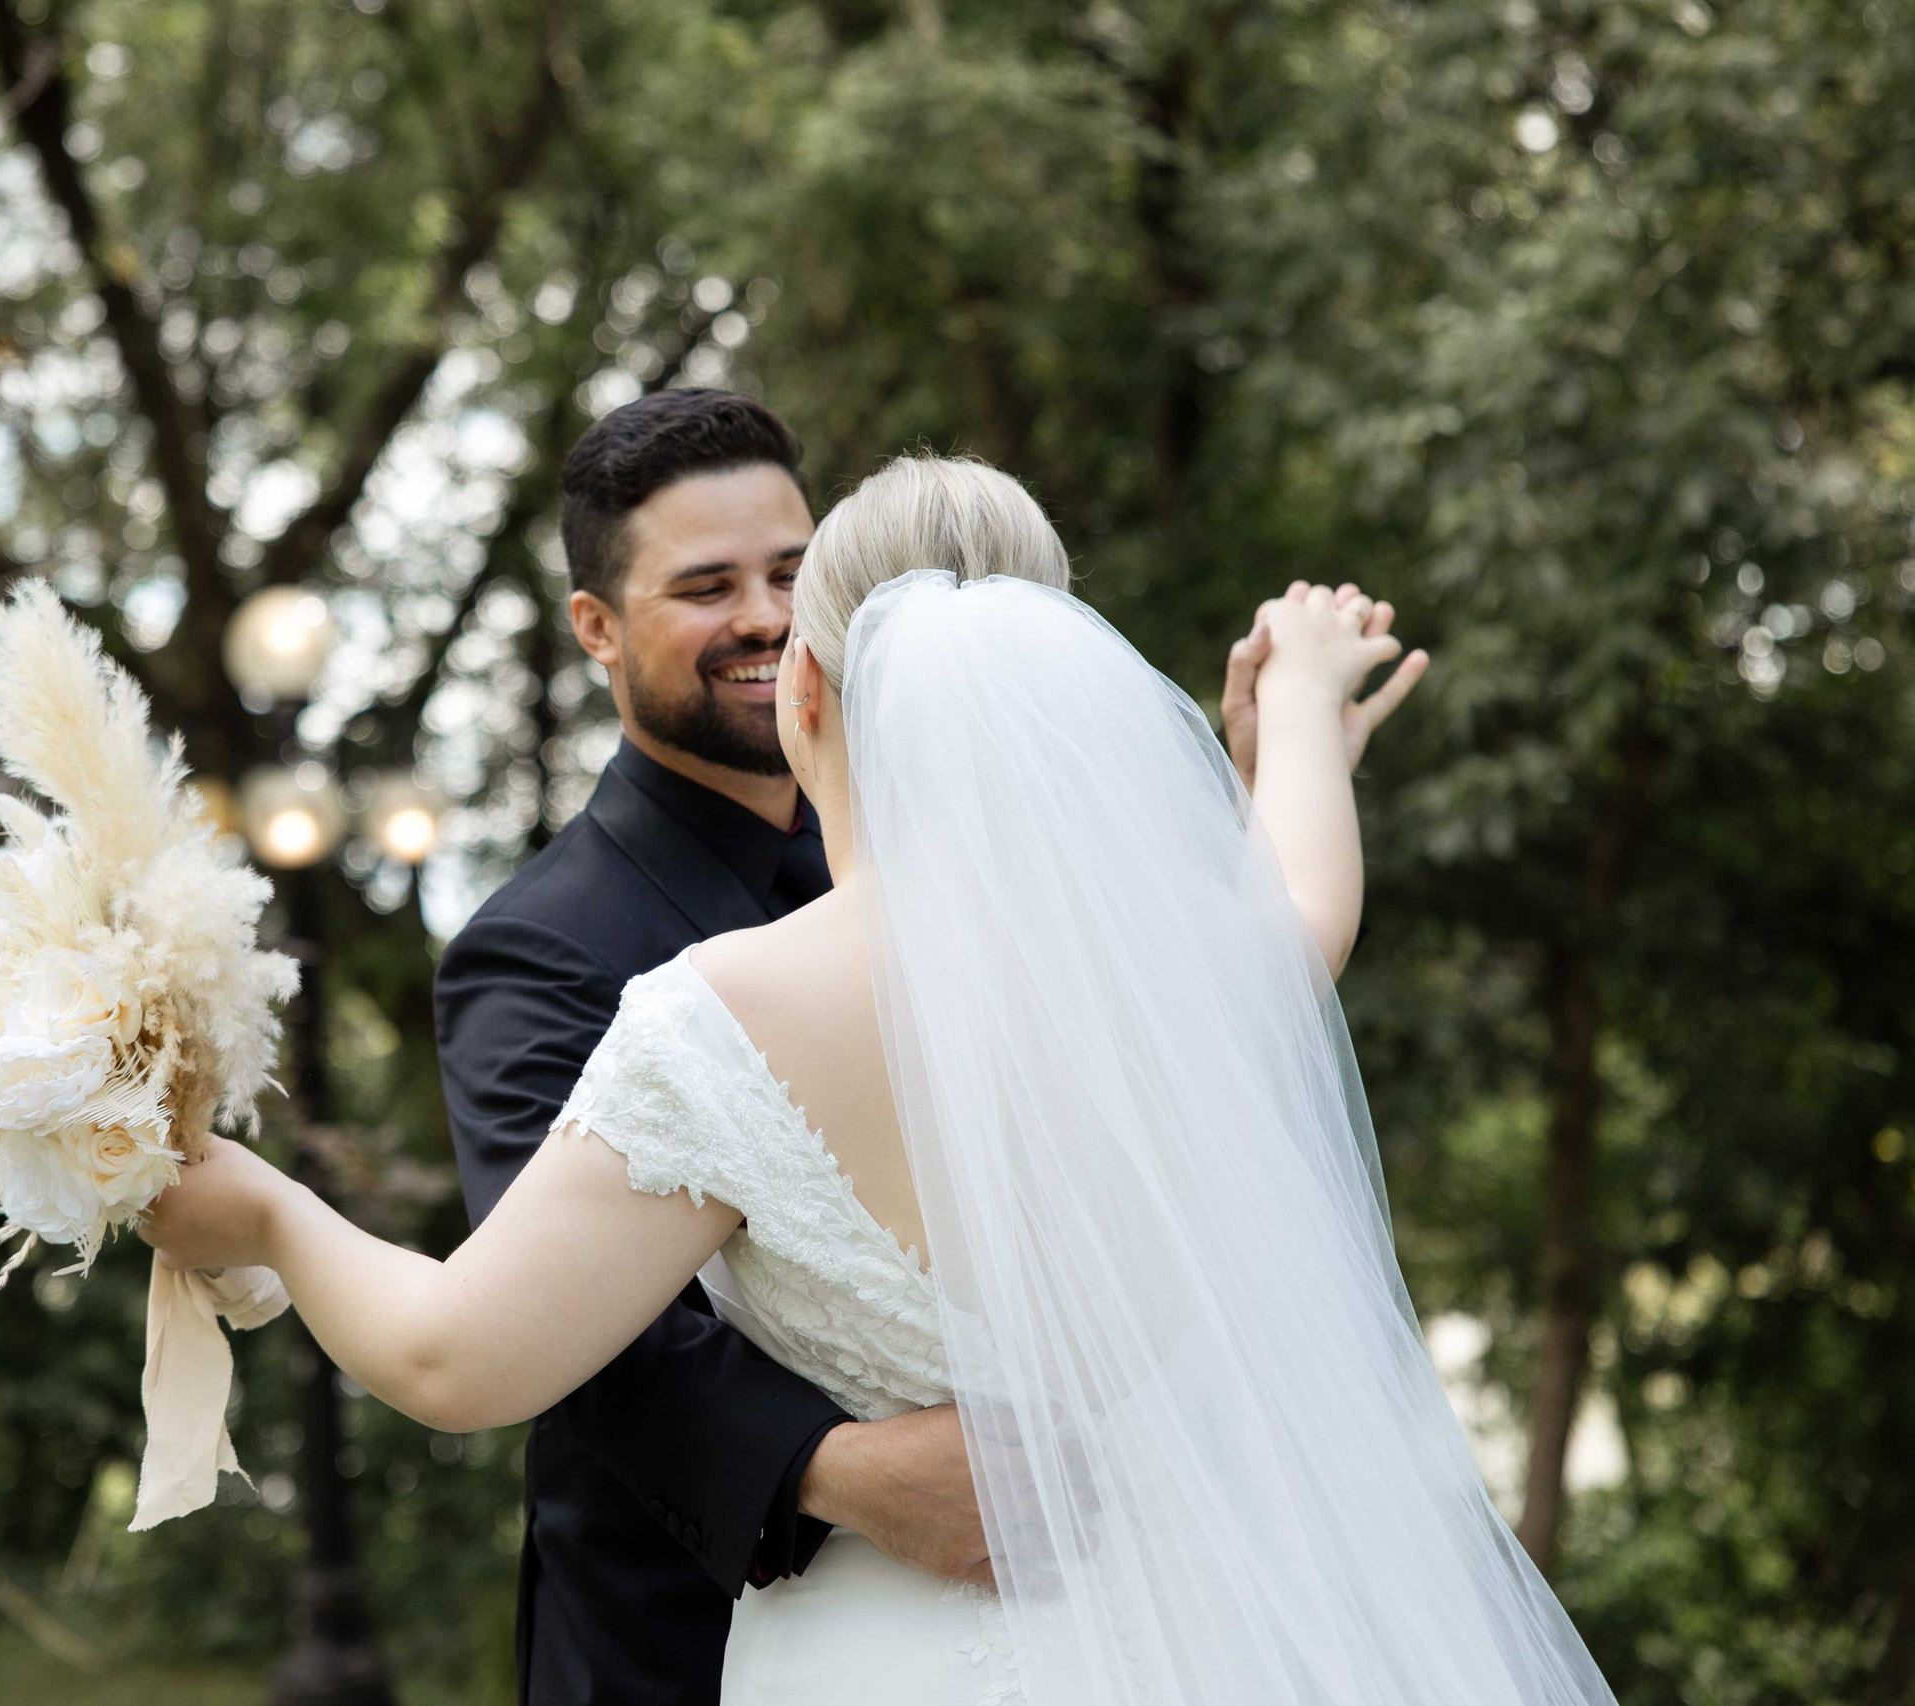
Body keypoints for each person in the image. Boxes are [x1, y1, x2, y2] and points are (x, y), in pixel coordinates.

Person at [143, 454, 1614, 1706]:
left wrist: (265, 1212)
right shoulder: (1218, 964)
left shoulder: (725, 1014)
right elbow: (1308, 880)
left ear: (810, 697)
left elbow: (457, 1360)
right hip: (1207, 1630)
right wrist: (1298, 700)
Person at [426, 389, 1415, 1704]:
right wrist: (833, 1468)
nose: (769, 615)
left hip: (1089, 1598)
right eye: (709, 584)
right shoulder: (540, 942)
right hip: (689, 1628)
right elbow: (568, 1318)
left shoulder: (1021, 883)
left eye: (790, 569)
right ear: (596, 628)